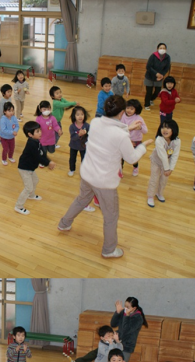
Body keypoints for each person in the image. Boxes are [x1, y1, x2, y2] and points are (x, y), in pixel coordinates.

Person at [57, 96, 152, 259]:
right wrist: (143, 146)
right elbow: (131, 158)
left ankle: (64, 224)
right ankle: (109, 250)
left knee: (81, 200)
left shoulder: (95, 122)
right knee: (111, 216)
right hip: (104, 182)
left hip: (87, 173)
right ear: (121, 113)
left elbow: (110, 132)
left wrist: (128, 128)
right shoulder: (120, 135)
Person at [15, 121, 55, 216]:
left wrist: (48, 161)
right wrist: (48, 163)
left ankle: (31, 195)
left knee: (35, 180)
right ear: (30, 134)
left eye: (40, 130)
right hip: (24, 168)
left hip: (30, 168)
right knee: (28, 188)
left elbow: (42, 153)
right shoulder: (31, 144)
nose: (40, 132)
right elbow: (38, 157)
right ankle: (18, 206)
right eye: (37, 131)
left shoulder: (36, 141)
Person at [147, 119, 181, 208]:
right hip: (156, 161)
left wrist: (171, 169)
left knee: (164, 179)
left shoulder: (177, 141)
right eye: (163, 127)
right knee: (154, 178)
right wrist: (167, 169)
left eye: (168, 128)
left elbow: (175, 155)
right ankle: (150, 196)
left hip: (167, 162)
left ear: (174, 129)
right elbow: (162, 156)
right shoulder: (159, 139)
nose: (165, 130)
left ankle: (159, 193)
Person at [110, 297, 148, 362]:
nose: (125, 308)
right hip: (117, 343)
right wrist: (117, 312)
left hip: (126, 347)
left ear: (134, 308)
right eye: (125, 306)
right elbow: (113, 324)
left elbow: (126, 330)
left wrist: (126, 316)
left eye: (128, 307)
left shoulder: (138, 318)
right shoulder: (123, 312)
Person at [120, 99, 148, 177]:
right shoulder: (122, 116)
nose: (129, 110)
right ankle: (120, 170)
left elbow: (145, 131)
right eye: (128, 108)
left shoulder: (139, 118)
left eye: (132, 109)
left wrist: (140, 128)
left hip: (136, 141)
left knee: (134, 157)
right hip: (125, 140)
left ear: (136, 110)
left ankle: (135, 167)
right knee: (121, 157)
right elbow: (120, 129)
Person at [144, 42, 171, 111]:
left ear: (166, 49)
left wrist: (162, 75)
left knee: (157, 91)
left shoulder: (167, 57)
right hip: (150, 76)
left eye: (164, 48)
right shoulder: (153, 56)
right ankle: (146, 104)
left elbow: (167, 68)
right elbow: (148, 67)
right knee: (149, 92)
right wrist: (156, 73)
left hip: (159, 78)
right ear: (157, 49)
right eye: (160, 48)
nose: (162, 49)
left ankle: (151, 99)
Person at [68, 106, 90, 185]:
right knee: (72, 159)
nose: (80, 116)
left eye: (82, 114)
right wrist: (79, 135)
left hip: (83, 147)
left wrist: (87, 134)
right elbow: (73, 137)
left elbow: (90, 135)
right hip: (73, 146)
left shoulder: (87, 126)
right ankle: (72, 169)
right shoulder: (72, 127)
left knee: (84, 160)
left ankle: (84, 172)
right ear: (74, 116)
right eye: (77, 114)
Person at [0, 101, 20, 166]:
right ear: (4, 111)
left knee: (12, 148)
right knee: (6, 149)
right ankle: (4, 159)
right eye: (9, 111)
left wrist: (15, 131)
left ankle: (10, 157)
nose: (11, 112)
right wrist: (12, 132)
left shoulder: (14, 118)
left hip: (11, 137)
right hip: (4, 137)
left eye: (12, 110)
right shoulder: (3, 120)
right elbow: (3, 130)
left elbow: (17, 126)